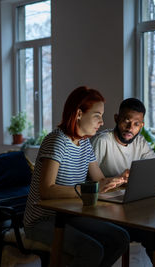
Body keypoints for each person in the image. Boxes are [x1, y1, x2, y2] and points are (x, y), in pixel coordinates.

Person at [23, 86, 130, 267]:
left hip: (71, 215)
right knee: (92, 250)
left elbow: (100, 181)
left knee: (121, 237)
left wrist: (120, 179)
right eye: (97, 115)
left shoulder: (85, 143)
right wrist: (89, 190)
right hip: (42, 221)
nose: (102, 122)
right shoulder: (56, 141)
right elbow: (46, 190)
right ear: (79, 113)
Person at [91, 98, 155, 267]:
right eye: (127, 121)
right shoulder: (102, 141)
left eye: (137, 124)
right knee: (154, 233)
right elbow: (90, 181)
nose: (131, 128)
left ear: (142, 125)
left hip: (136, 206)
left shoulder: (140, 142)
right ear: (117, 118)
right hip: (110, 211)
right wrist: (119, 179)